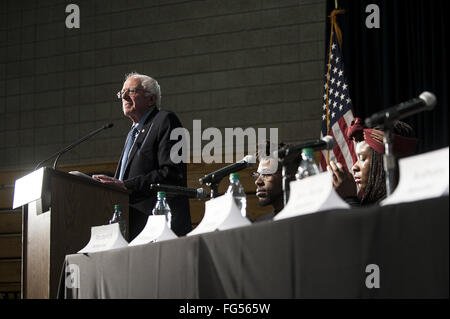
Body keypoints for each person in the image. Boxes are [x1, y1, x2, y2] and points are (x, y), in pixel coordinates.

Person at [93, 72, 191, 239]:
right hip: (131, 226)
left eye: (130, 91)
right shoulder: (133, 134)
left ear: (151, 99)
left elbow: (172, 172)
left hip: (159, 225)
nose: (123, 96)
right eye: (121, 92)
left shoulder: (166, 120)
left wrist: (126, 185)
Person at [327, 117, 418, 205]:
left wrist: (350, 199)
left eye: (362, 158)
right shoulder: (370, 202)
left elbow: (362, 221)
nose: (354, 167)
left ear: (384, 162)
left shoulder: (402, 202)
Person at [252, 141, 298, 221]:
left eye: (266, 174)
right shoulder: (260, 224)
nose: (258, 181)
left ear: (291, 176)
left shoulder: (310, 216)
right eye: (257, 175)